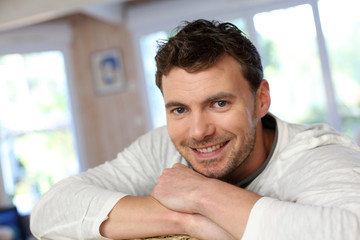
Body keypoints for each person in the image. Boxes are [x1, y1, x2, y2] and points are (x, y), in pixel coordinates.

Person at [30, 19, 360, 240]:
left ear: (261, 100)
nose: (199, 131)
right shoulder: (163, 146)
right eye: (180, 110)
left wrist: (200, 193)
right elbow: (49, 212)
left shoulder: (317, 155)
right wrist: (187, 218)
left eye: (219, 104)